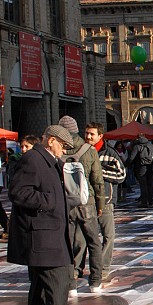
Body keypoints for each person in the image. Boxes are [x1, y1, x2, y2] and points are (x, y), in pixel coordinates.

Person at [7, 125, 85, 305]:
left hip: (50, 232)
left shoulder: (50, 161)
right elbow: (18, 192)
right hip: (41, 235)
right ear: (51, 140)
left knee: (42, 285)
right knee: (57, 281)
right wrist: (49, 202)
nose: (65, 150)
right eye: (63, 145)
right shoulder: (33, 159)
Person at [58, 115, 105, 295]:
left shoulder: (59, 149)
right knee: (94, 242)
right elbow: (97, 180)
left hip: (66, 202)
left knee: (67, 243)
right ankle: (95, 281)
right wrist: (100, 203)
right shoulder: (89, 149)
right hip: (87, 201)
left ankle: (71, 284)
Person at [84, 122, 126, 282]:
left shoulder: (110, 153)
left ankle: (103, 268)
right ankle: (77, 269)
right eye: (86, 133)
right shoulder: (82, 152)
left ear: (100, 136)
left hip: (106, 201)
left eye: (91, 134)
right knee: (83, 238)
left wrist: (99, 172)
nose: (88, 137)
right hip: (85, 201)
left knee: (108, 236)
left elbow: (121, 175)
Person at [127, 132, 153, 207]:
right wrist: (151, 162)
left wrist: (127, 164)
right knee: (150, 184)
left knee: (143, 185)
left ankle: (144, 202)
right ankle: (151, 200)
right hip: (150, 167)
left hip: (140, 167)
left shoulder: (137, 146)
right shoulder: (151, 145)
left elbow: (131, 158)